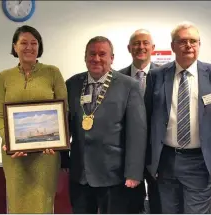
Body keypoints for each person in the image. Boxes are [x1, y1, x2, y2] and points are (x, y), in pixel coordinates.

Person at [144, 21, 211, 213]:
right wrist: (150, 162)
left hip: (200, 162)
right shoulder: (156, 75)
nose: (188, 46)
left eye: (193, 41)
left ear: (199, 45)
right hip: (166, 160)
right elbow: (147, 121)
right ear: (173, 46)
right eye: (182, 41)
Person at [62, 36, 147, 214]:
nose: (97, 59)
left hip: (114, 175)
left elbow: (137, 133)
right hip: (81, 174)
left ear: (112, 58)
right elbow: (64, 126)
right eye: (92, 54)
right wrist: (62, 159)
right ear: (85, 57)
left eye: (102, 54)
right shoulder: (72, 84)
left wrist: (134, 172)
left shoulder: (129, 85)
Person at [0, 25, 68, 213]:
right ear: (14, 47)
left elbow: (64, 110)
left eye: (34, 43)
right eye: (23, 43)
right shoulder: (4, 76)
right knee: (17, 204)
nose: (29, 47)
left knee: (43, 203)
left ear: (39, 46)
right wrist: (8, 140)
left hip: (46, 154)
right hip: (14, 156)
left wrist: (56, 139)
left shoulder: (53, 72)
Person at [117, 29, 161, 213]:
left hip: (158, 155)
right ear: (129, 48)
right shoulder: (117, 78)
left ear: (153, 48)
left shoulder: (164, 76)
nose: (140, 47)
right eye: (136, 43)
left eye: (145, 43)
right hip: (127, 155)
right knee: (130, 206)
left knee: (159, 205)